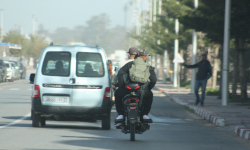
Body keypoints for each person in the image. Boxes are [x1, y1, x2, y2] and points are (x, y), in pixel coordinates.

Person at [115, 49, 157, 121]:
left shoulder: (130, 64)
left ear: (137, 56)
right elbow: (153, 80)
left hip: (127, 89)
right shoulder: (148, 67)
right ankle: (145, 115)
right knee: (149, 96)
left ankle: (121, 115)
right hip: (142, 90)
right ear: (146, 57)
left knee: (117, 94)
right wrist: (148, 88)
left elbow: (120, 73)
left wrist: (122, 85)